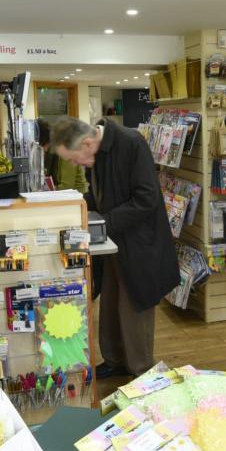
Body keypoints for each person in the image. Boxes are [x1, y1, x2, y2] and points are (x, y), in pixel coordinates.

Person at [51, 116, 179, 378]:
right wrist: (74, 206)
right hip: (115, 242)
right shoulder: (98, 152)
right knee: (111, 305)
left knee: (135, 308)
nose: (75, 164)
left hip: (139, 243)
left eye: (74, 158)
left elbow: (147, 199)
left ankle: (142, 372)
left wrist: (103, 224)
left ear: (87, 143)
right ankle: (115, 360)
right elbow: (100, 194)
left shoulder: (132, 143)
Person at [37, 118, 88, 193]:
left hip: (76, 196)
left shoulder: (64, 150)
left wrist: (44, 191)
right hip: (63, 194)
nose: (44, 150)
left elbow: (67, 186)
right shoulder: (51, 151)